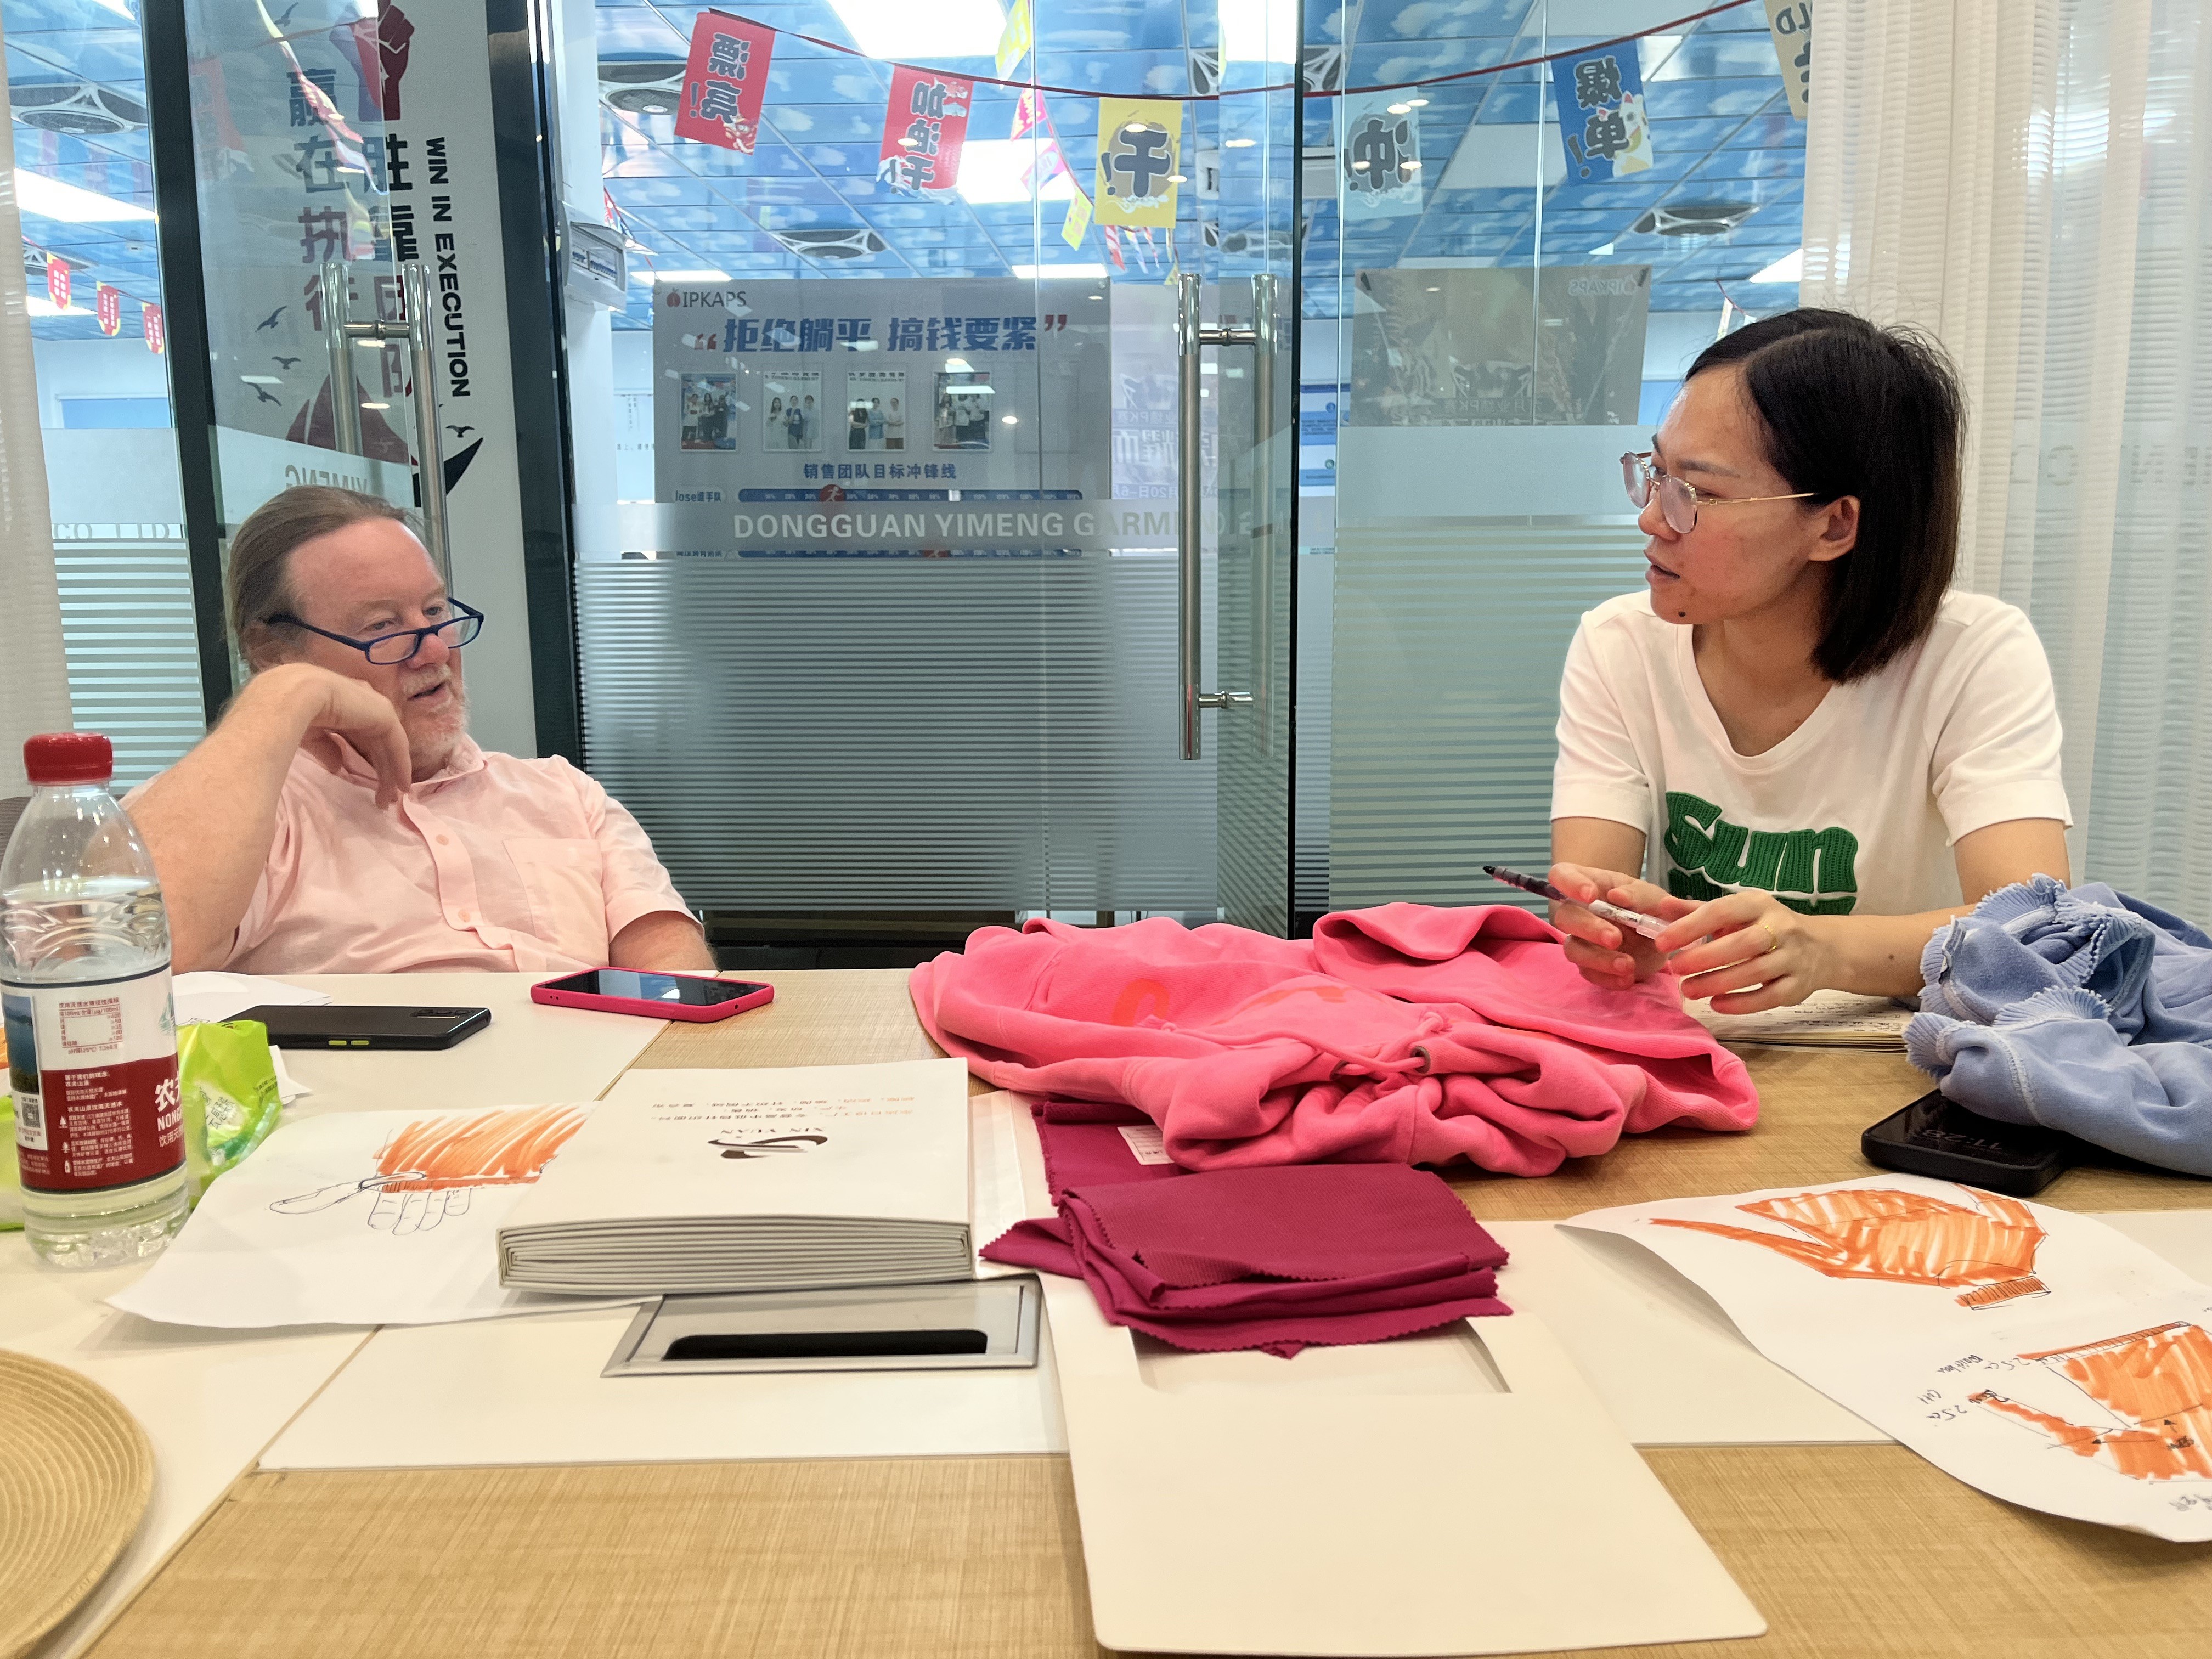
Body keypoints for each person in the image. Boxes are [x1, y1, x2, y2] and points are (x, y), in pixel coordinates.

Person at [1548, 308, 2070, 1015]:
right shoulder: (1620, 644)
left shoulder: (1971, 655)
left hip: (1891, 1062)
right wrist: (1607, 932)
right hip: (1700, 1048)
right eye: (1655, 472)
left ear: (1833, 524)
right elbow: (1596, 898)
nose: (1651, 517)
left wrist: (1821, 950)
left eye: (1694, 493)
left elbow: (2033, 931)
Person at [129, 486, 715, 976]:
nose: (433, 649)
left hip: (580, 1101)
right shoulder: (247, 822)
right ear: (271, 650)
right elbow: (139, 956)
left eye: (435, 611)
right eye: (383, 627)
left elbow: (666, 957)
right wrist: (283, 698)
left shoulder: (563, 795)